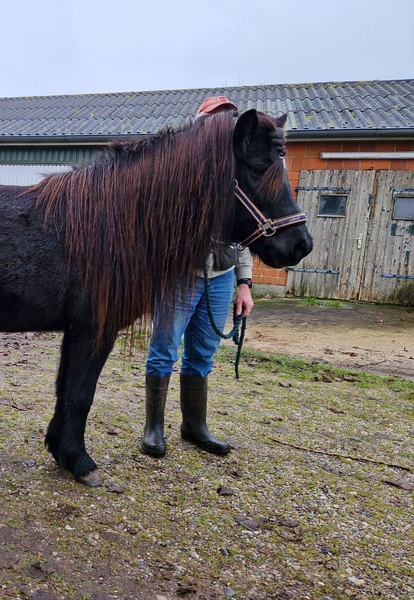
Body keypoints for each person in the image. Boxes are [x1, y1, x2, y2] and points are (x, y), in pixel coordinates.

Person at [141, 96, 254, 458]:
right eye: (215, 118)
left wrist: (244, 284)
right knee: (164, 350)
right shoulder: (179, 167)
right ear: (200, 123)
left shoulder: (236, 173)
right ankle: (153, 429)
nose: (223, 124)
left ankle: (194, 427)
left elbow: (244, 233)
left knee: (203, 353)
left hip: (221, 276)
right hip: (181, 276)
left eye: (229, 118)